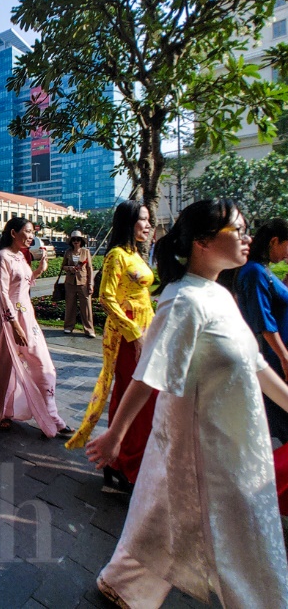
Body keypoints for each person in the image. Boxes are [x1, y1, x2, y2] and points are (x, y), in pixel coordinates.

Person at [87, 199, 288, 608]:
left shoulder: (218, 295)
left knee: (164, 510)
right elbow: (149, 372)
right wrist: (115, 436)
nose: (249, 238)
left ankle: (123, 583)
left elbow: (255, 366)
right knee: (240, 540)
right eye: (238, 230)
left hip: (234, 440)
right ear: (202, 242)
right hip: (207, 446)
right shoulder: (183, 301)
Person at [65, 201, 155, 491]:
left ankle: (126, 462)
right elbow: (105, 297)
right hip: (129, 336)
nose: (148, 225)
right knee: (132, 396)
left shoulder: (136, 254)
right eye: (143, 219)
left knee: (142, 399)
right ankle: (122, 464)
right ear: (129, 222)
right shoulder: (116, 254)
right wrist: (134, 333)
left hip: (146, 330)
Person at [0, 217, 73, 438]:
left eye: (32, 232)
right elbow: (2, 294)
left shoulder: (21, 256)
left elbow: (22, 285)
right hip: (5, 321)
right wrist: (13, 324)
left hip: (26, 318)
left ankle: (51, 414)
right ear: (14, 233)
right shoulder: (2, 257)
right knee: (1, 368)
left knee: (43, 365)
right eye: (28, 231)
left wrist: (39, 271)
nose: (31, 236)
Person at [234, 217, 288, 443]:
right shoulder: (255, 272)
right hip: (273, 358)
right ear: (274, 241)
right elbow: (263, 320)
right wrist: (284, 357)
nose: (286, 254)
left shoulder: (262, 270)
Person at [62, 230, 96, 338]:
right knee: (70, 305)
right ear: (71, 241)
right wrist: (69, 268)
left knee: (86, 307)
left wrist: (90, 283)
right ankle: (68, 327)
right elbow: (63, 266)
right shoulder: (68, 252)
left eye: (78, 240)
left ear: (81, 241)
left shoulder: (86, 252)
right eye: (74, 240)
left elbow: (90, 268)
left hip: (83, 283)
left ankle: (89, 329)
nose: (76, 242)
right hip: (70, 283)